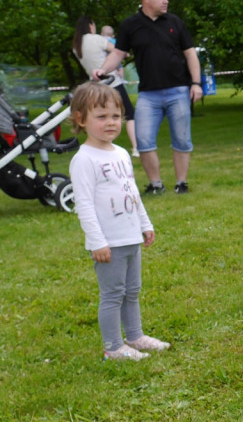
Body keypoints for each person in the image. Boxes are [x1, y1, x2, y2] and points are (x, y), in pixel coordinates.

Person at [68, 82, 169, 361]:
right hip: (108, 243)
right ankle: (113, 347)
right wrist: (97, 242)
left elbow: (132, 193)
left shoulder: (121, 153)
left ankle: (135, 336)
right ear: (81, 119)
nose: (111, 122)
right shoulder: (84, 159)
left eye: (115, 116)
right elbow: (84, 205)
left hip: (130, 237)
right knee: (113, 294)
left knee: (132, 290)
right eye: (101, 117)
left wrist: (144, 224)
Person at [93, 0, 203, 195]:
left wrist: (196, 84)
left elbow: (190, 53)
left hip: (178, 90)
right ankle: (155, 185)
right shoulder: (130, 25)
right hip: (148, 95)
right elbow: (117, 53)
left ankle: (181, 183)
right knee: (143, 141)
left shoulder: (175, 22)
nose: (166, 1)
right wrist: (103, 70)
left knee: (182, 139)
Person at [72, 15, 138, 156]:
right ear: (90, 25)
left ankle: (101, 145)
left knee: (100, 117)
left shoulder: (76, 46)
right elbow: (120, 52)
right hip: (111, 81)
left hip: (94, 85)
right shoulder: (96, 39)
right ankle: (136, 147)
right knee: (129, 115)